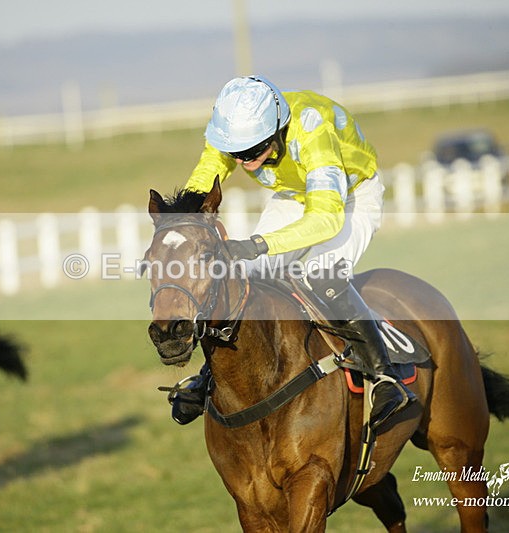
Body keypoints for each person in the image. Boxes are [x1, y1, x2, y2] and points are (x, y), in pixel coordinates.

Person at [169, 75, 415, 430]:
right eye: (237, 152)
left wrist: (256, 244)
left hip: (348, 197)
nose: (243, 161)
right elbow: (205, 177)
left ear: (277, 128)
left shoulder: (312, 129)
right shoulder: (233, 130)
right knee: (245, 278)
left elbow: (326, 219)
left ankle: (385, 378)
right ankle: (208, 375)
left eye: (253, 151)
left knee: (322, 275)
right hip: (293, 194)